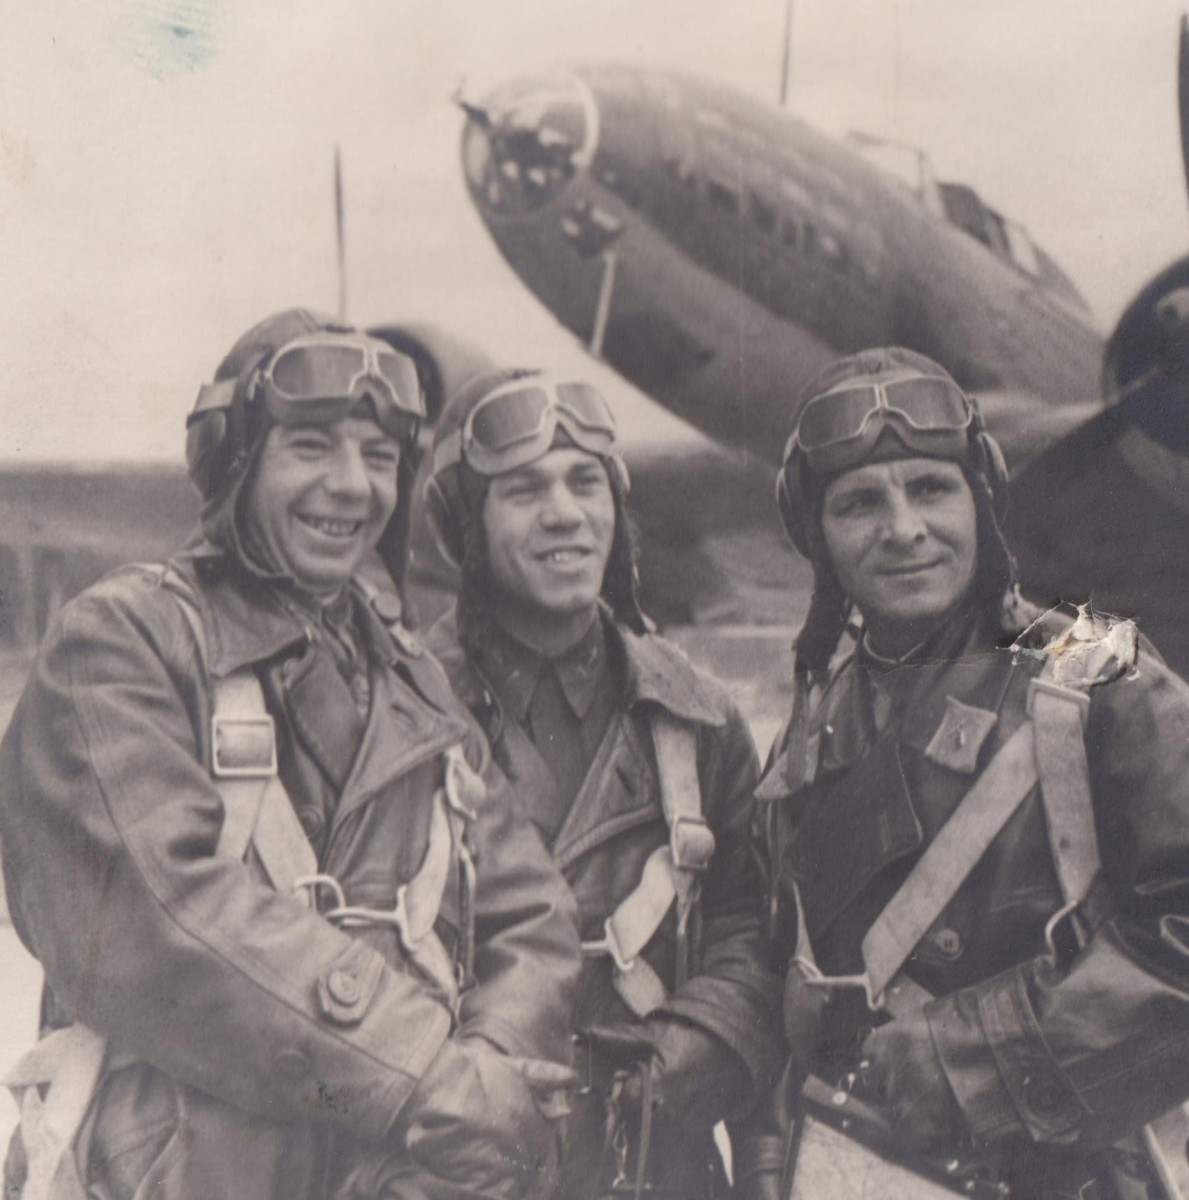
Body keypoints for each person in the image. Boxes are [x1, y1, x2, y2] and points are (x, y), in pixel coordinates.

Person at [0, 310, 581, 1200]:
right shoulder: (120, 646)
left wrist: (480, 1099)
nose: (352, 487)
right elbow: (158, 916)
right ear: (235, 458)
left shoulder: (408, 674)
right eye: (312, 448)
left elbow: (529, 916)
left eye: (380, 457)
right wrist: (428, 1074)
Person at [756, 345, 1189, 1199]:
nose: (904, 530)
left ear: (980, 500)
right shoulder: (816, 716)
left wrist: (972, 1064)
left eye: (931, 489)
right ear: (819, 539)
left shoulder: (1090, 653)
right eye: (858, 503)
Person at [421, 369, 782, 1200]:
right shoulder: (396, 711)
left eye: (587, 481)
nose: (565, 512)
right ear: (468, 527)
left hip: (657, 1165)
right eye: (523, 489)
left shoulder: (698, 716)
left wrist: (706, 1038)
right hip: (449, 1167)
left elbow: (753, 924)